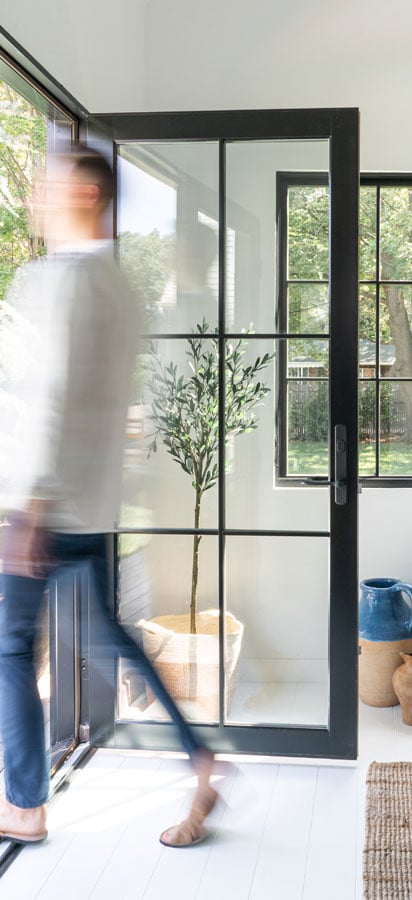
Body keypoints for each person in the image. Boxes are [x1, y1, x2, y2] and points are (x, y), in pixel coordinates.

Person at [0, 145, 216, 848]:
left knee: (7, 650)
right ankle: (198, 752)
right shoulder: (123, 288)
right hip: (93, 504)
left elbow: (48, 399)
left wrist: (27, 510)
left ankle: (26, 806)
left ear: (86, 196)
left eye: (47, 186)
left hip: (45, 508)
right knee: (107, 634)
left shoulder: (58, 279)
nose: (35, 196)